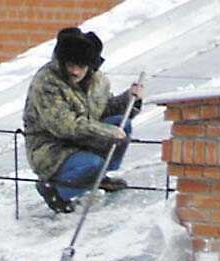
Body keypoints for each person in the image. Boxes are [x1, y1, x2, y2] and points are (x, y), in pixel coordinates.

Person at [23, 27, 143, 214]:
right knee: (92, 163)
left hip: (83, 139)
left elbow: (103, 110)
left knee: (122, 124)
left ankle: (99, 177)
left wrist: (129, 99)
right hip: (52, 147)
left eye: (81, 66)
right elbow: (64, 126)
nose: (75, 71)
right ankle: (56, 191)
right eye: (71, 65)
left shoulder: (98, 80)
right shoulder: (47, 83)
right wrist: (107, 132)